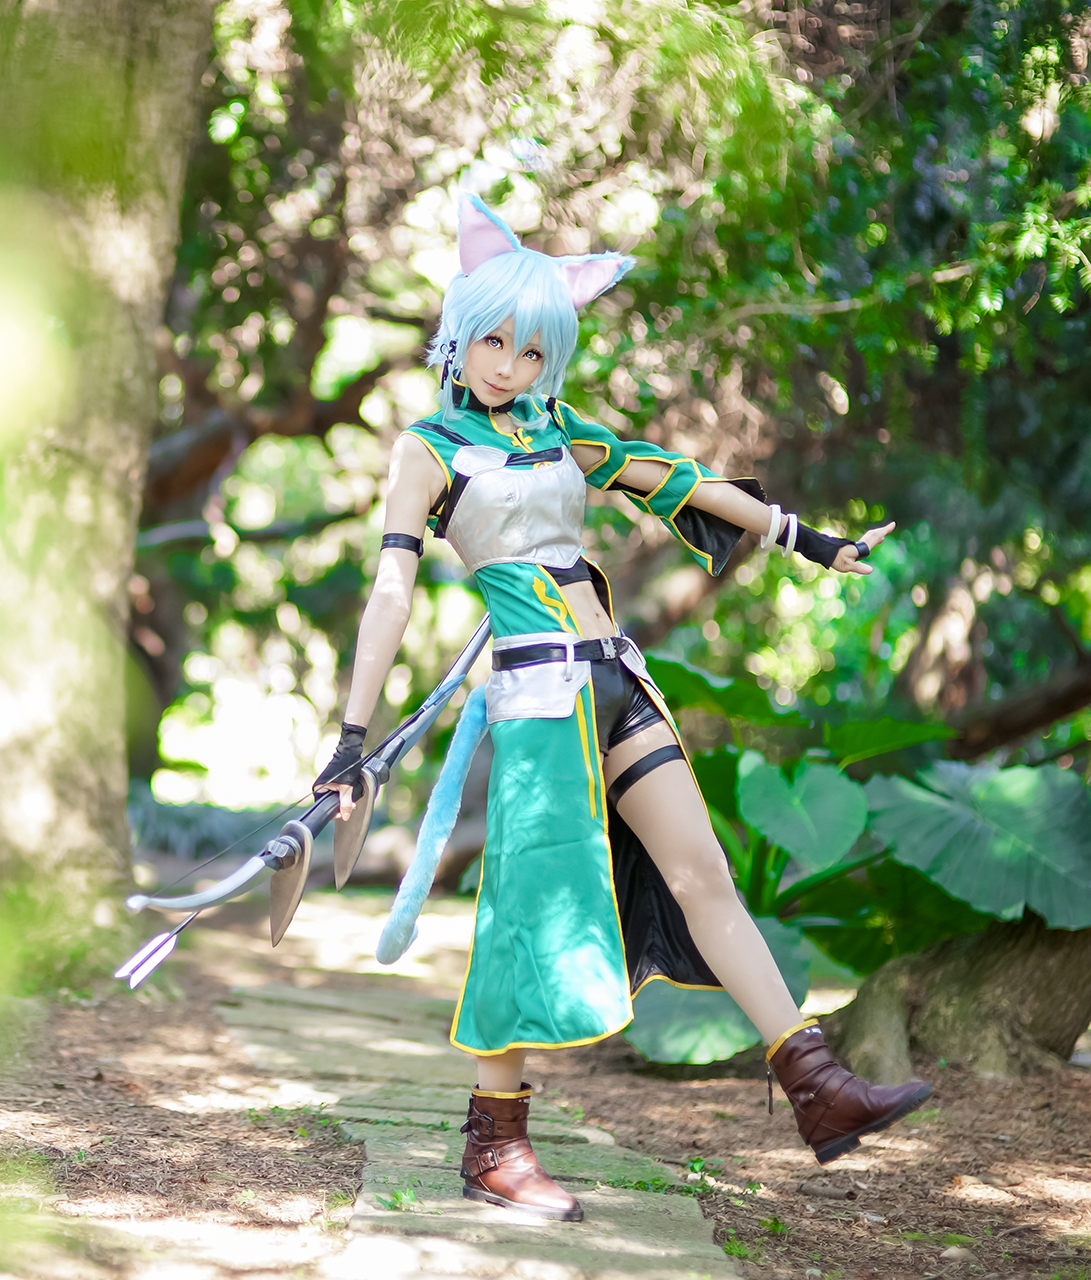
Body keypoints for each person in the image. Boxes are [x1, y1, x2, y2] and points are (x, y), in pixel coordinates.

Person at [314, 194, 931, 1223]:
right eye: (494, 341)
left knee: (703, 873)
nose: (509, 365)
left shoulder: (561, 429)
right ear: (461, 331)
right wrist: (350, 737)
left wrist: (809, 540)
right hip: (538, 697)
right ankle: (495, 1141)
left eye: (531, 349)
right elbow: (391, 591)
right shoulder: (428, 449)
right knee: (522, 909)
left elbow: (679, 481)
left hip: (615, 676)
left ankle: (816, 1085)